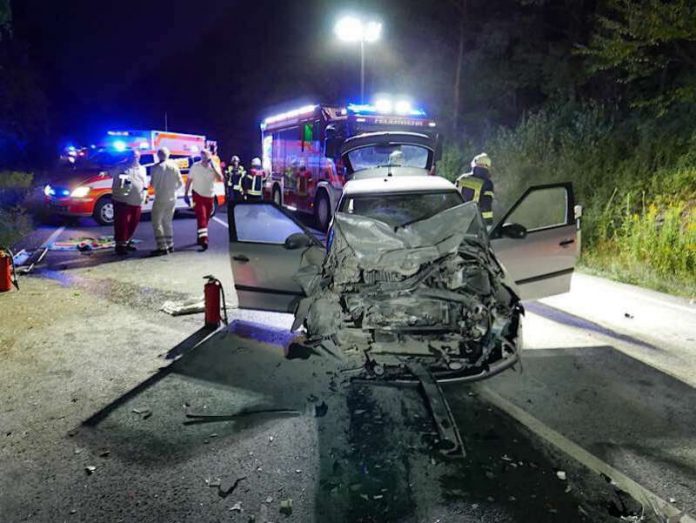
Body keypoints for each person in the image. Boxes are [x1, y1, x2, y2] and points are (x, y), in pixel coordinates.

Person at [184, 149, 224, 251]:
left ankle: (200, 235)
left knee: (206, 218)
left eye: (207, 156)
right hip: (197, 195)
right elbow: (188, 181)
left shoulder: (214, 167)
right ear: (201, 157)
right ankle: (204, 240)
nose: (206, 158)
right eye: (204, 156)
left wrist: (214, 167)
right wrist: (186, 194)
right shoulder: (195, 167)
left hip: (210, 196)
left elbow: (220, 178)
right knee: (201, 216)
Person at [112, 149, 147, 255]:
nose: (135, 158)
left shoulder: (142, 169)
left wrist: (145, 195)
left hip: (137, 200)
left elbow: (144, 183)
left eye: (137, 156)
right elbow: (118, 183)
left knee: (133, 223)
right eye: (133, 156)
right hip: (123, 201)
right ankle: (120, 245)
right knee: (121, 224)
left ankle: (126, 241)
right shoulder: (121, 168)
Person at [149, 147, 184, 255]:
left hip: (160, 197)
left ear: (158, 155)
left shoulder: (155, 168)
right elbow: (180, 183)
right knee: (167, 222)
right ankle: (170, 244)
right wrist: (174, 191)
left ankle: (162, 247)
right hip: (172, 198)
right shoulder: (174, 167)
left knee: (156, 222)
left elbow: (152, 184)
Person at [456, 153, 494, 224]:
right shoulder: (487, 183)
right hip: (475, 222)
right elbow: (486, 205)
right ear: (487, 166)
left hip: (458, 219)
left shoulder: (462, 178)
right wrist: (488, 223)